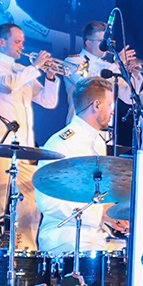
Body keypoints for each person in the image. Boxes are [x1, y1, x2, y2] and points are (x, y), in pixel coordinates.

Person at [0, 23, 60, 248]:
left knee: (30, 208)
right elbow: (9, 85)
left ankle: (26, 257)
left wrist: (50, 78)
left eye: (22, 42)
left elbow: (47, 101)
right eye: (17, 41)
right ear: (2, 42)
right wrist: (34, 67)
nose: (22, 46)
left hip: (24, 150)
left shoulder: (22, 70)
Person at [34, 80, 123, 254]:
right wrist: (100, 213)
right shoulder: (60, 144)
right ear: (96, 105)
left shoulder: (98, 141)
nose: (113, 110)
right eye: (110, 104)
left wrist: (114, 216)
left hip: (94, 234)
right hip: (64, 236)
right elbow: (47, 201)